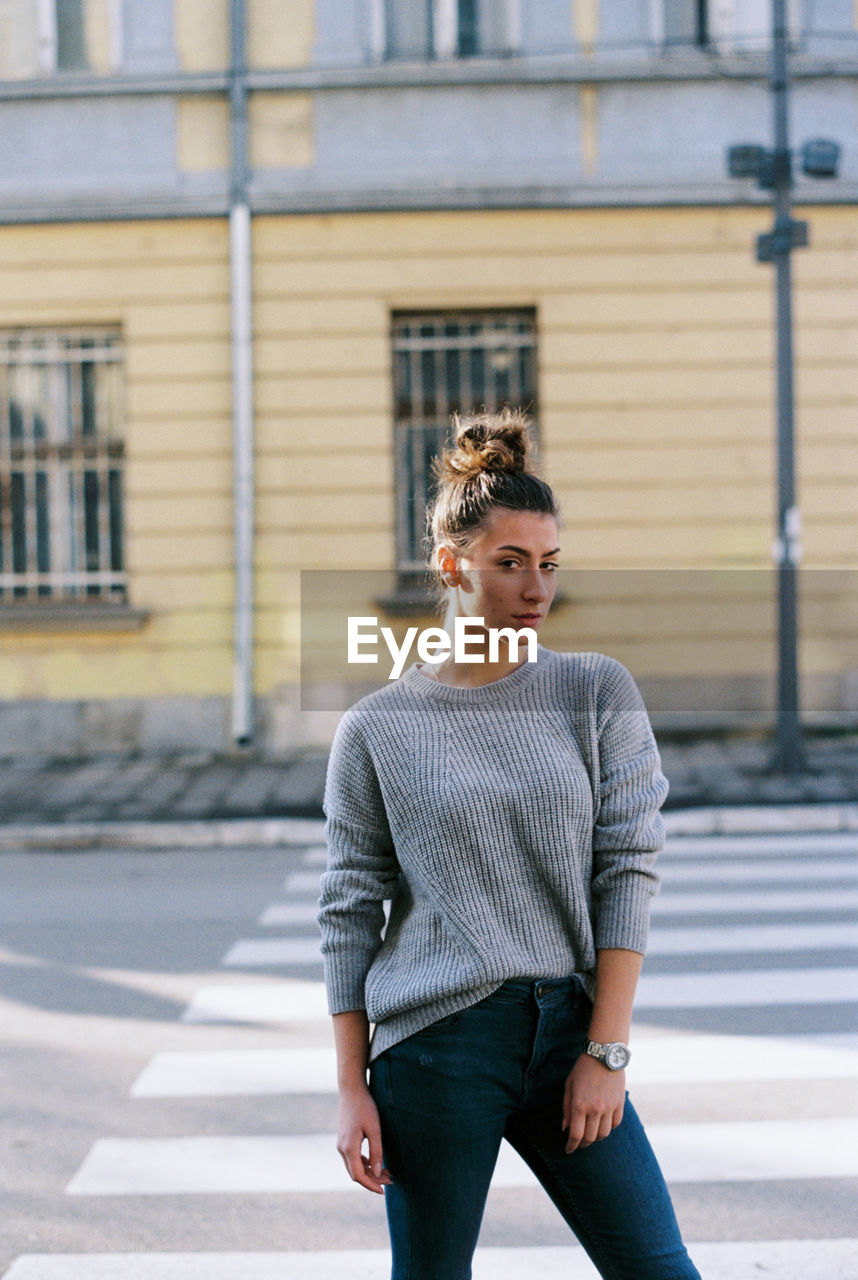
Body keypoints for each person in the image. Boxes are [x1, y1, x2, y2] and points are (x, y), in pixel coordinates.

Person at [318, 409, 701, 1280]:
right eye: (511, 564)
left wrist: (606, 1053)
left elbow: (627, 869)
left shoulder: (595, 690)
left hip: (570, 1029)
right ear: (451, 566)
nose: (537, 590)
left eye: (549, 566)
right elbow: (348, 912)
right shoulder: (377, 728)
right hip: (436, 1046)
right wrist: (351, 1086)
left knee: (659, 1269)